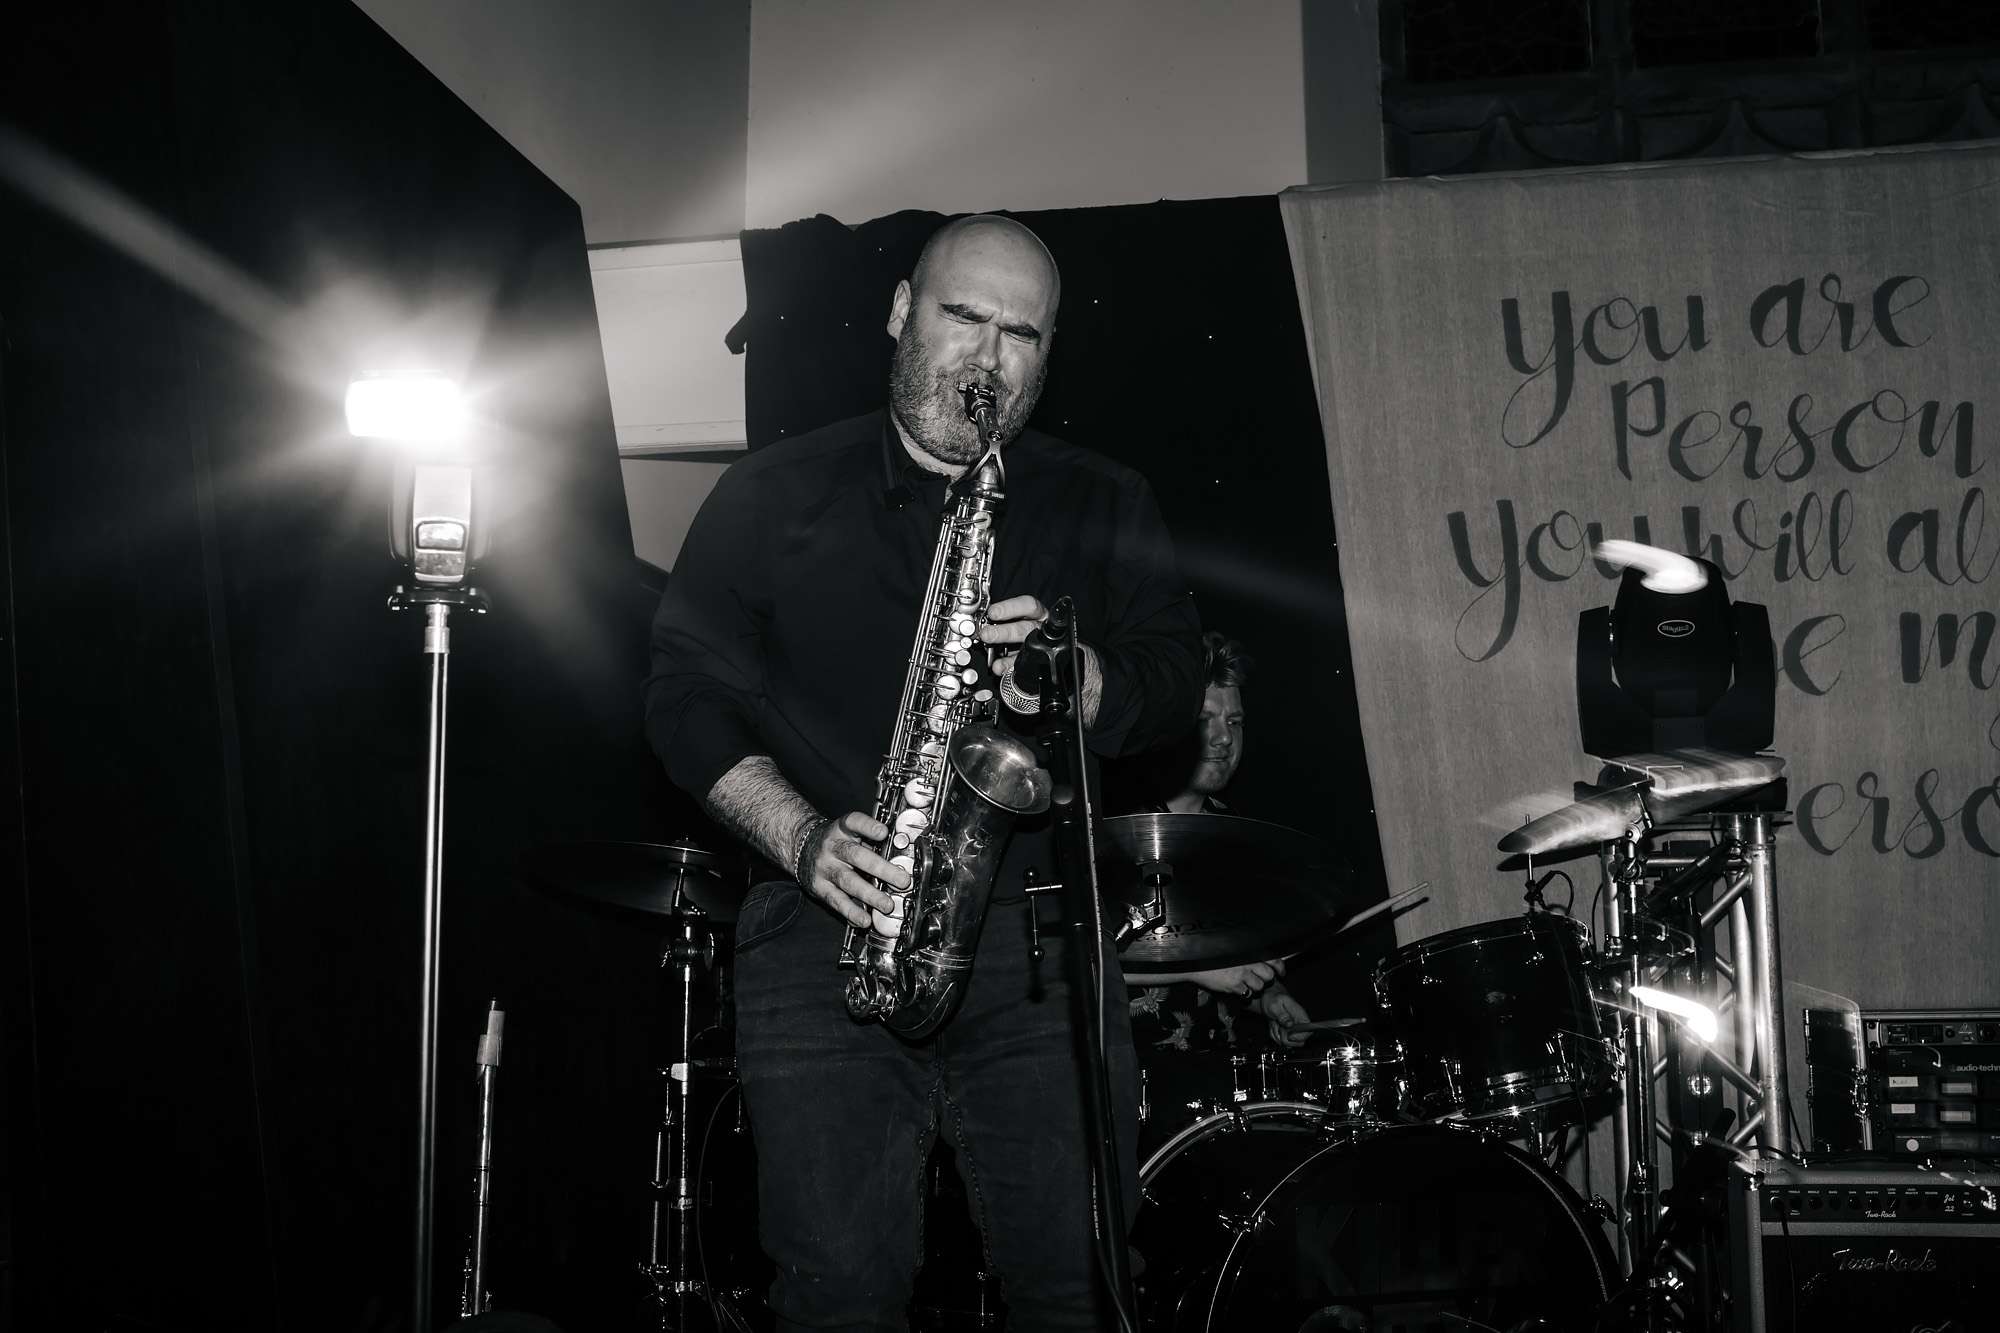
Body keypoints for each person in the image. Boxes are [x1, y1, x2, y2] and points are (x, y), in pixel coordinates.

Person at [644, 214, 1204, 1332]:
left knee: (1077, 1291)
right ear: (902, 311)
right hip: (820, 929)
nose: (987, 359)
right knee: (837, 1295)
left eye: (1020, 335)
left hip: (1038, 953)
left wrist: (1081, 679)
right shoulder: (769, 494)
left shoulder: (1101, 498)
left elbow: (1174, 680)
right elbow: (681, 696)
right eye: (962, 317)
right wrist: (800, 837)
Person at [1124, 632, 1311, 1053]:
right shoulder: (1115, 826)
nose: (1225, 738)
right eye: (1205, 720)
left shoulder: (1238, 837)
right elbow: (1068, 964)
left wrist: (1270, 997)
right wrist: (1198, 969)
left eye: (1235, 722)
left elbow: (1241, 963)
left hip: (1220, 1081)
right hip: (1124, 1077)